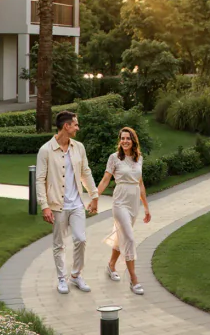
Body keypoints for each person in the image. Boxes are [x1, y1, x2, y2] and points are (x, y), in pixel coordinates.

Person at [37, 110, 97, 295]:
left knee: (81, 239)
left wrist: (93, 196)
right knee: (59, 243)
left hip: (77, 204)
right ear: (66, 126)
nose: (78, 128)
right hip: (57, 205)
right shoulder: (46, 150)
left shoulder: (79, 147)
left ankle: (76, 275)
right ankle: (62, 279)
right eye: (76, 125)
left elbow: (85, 172)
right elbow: (39, 179)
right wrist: (44, 205)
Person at [101, 126, 151, 295]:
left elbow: (141, 183)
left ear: (133, 140)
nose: (124, 141)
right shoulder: (114, 158)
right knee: (129, 237)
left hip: (134, 203)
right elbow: (106, 179)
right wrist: (95, 197)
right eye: (122, 138)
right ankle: (133, 279)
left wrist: (146, 207)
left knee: (121, 235)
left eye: (128, 138)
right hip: (120, 201)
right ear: (119, 141)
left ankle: (111, 265)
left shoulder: (139, 159)